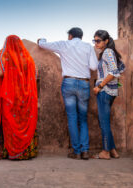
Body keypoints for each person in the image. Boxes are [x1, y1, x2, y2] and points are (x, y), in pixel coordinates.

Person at [38, 27, 98, 160]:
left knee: (72, 118)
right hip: (83, 83)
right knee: (83, 119)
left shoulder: (64, 44)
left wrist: (41, 40)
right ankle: (85, 151)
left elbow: (42, 44)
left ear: (70, 36)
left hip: (69, 83)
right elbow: (94, 66)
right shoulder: (88, 47)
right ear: (81, 36)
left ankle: (76, 151)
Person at [0, 35, 38, 160]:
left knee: (11, 124)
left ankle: (12, 152)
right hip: (26, 97)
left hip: (11, 97)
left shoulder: (6, 57)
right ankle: (27, 152)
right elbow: (35, 76)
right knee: (25, 122)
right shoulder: (29, 59)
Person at [92, 30, 125, 160]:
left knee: (104, 122)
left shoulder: (107, 52)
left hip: (104, 91)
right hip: (110, 91)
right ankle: (113, 150)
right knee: (105, 121)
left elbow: (114, 72)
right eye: (94, 40)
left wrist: (99, 86)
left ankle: (105, 152)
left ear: (106, 41)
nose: (96, 43)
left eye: (98, 40)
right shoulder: (110, 52)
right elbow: (122, 67)